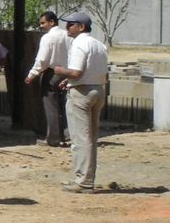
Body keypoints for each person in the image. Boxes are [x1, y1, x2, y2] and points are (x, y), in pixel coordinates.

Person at [52, 11, 108, 192]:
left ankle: (83, 181)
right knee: (91, 137)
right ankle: (87, 178)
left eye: (70, 24)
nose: (67, 27)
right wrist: (69, 80)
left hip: (82, 93)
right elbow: (100, 73)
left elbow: (76, 72)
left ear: (81, 27)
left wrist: (61, 71)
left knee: (80, 139)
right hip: (98, 90)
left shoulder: (78, 44)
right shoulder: (99, 45)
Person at [24, 11, 70, 147]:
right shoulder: (68, 36)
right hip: (67, 73)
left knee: (51, 106)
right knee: (64, 105)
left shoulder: (48, 38)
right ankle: (66, 135)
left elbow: (42, 60)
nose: (41, 26)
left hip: (52, 73)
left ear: (52, 22)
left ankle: (53, 138)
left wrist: (31, 75)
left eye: (43, 23)